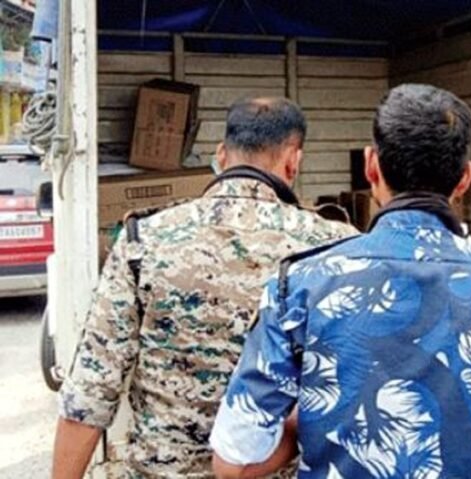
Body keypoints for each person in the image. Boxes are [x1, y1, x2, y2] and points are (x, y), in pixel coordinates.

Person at [209, 84, 471, 479]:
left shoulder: (300, 286)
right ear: (465, 179)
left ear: (371, 166)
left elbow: (234, 462)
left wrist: (303, 418)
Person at [53, 97, 358, 478]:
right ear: (293, 161)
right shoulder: (337, 248)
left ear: (221, 155)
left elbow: (91, 391)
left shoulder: (144, 240)